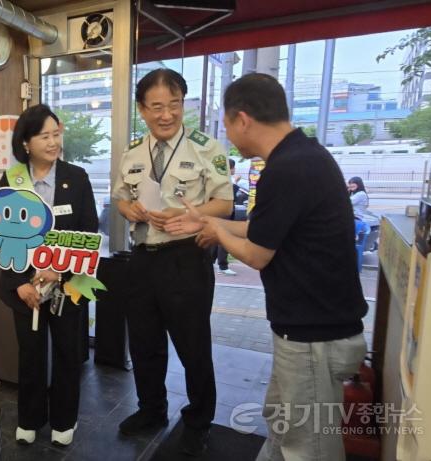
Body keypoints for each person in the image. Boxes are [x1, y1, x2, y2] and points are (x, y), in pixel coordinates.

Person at [165, 73, 368, 461]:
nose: (227, 134)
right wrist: (209, 223)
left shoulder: (287, 168)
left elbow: (257, 254)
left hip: (314, 335)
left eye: (225, 124)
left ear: (243, 119)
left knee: (308, 448)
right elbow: (264, 227)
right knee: (281, 426)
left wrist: (213, 229)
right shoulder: (302, 156)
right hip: (309, 331)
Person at [112, 68, 233, 456]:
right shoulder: (132, 151)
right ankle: (151, 410)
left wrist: (194, 214)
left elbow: (226, 203)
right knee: (145, 343)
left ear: (184, 104)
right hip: (142, 259)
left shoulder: (206, 147)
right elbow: (119, 197)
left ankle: (199, 418)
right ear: (142, 110)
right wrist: (128, 208)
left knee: (193, 344)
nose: (167, 115)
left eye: (175, 105)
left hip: (186, 258)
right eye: (157, 107)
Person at [0, 103, 98, 447]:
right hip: (26, 287)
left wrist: (58, 270)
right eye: (45, 136)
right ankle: (29, 417)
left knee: (69, 353)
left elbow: (88, 234)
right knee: (31, 355)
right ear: (26, 142)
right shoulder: (12, 180)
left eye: (57, 134)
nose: (54, 142)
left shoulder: (77, 177)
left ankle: (64, 420)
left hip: (68, 284)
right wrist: (21, 284)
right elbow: (2, 236)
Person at [213, 158, 240, 275]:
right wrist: (234, 182)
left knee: (217, 238)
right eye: (233, 167)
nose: (235, 170)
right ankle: (222, 265)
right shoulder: (225, 181)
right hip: (223, 214)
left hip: (221, 214)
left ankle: (216, 263)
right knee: (223, 239)